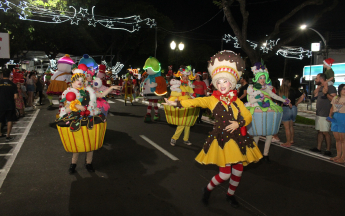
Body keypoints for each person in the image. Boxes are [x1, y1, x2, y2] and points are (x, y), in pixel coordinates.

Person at [164, 51, 262, 208]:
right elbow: (194, 102)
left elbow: (248, 117)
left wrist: (239, 123)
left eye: (226, 82)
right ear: (216, 84)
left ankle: (230, 195)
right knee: (225, 174)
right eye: (219, 82)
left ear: (231, 83)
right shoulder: (211, 100)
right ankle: (208, 189)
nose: (222, 85)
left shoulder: (237, 102)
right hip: (223, 140)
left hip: (239, 140)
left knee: (238, 171)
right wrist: (175, 103)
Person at [56, 68, 120, 173]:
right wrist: (76, 106)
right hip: (74, 118)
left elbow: (101, 95)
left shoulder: (88, 91)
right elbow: (66, 106)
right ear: (73, 81)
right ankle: (73, 164)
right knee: (77, 142)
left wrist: (111, 87)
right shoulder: (69, 92)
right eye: (78, 80)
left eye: (82, 80)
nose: (80, 82)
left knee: (90, 142)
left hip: (89, 116)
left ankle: (89, 163)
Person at [246, 62, 290, 163]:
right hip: (257, 110)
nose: (262, 80)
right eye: (260, 78)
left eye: (264, 78)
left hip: (269, 109)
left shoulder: (267, 88)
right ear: (256, 78)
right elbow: (250, 101)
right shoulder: (251, 88)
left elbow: (274, 96)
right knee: (256, 134)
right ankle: (255, 155)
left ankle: (265, 154)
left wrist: (284, 100)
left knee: (269, 134)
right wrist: (257, 98)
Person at [310, 73, 337, 156]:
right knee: (319, 131)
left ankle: (328, 150)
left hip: (326, 114)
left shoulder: (330, 87)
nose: (315, 80)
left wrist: (326, 94)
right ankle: (318, 148)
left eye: (316, 78)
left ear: (321, 79)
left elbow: (334, 99)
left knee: (325, 132)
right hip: (319, 113)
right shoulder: (320, 87)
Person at [169, 66, 195, 146]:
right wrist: (183, 93)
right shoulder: (177, 84)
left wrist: (193, 97)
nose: (185, 78)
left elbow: (192, 94)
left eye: (186, 76)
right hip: (180, 105)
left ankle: (186, 139)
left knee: (188, 123)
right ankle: (174, 138)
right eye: (183, 76)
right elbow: (173, 93)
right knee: (182, 123)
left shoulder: (189, 85)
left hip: (189, 105)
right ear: (181, 76)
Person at [279, 78, 305, 147]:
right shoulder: (293, 90)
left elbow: (281, 99)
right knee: (291, 126)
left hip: (286, 108)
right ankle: (291, 140)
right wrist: (297, 103)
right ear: (289, 83)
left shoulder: (282, 91)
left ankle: (288, 142)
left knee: (287, 127)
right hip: (293, 108)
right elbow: (302, 96)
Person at [328, 84, 345, 163]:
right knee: (337, 139)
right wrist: (330, 116)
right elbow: (332, 107)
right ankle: (338, 155)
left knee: (343, 140)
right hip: (335, 118)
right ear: (340, 89)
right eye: (343, 89)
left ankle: (343, 157)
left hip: (343, 118)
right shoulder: (335, 98)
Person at [0, 69, 18, 142]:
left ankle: (0, 133)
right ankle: (8, 135)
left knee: (0, 119)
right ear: (9, 75)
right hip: (10, 104)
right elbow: (15, 97)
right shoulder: (12, 84)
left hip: (0, 104)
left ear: (2, 75)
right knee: (10, 120)